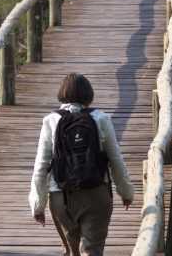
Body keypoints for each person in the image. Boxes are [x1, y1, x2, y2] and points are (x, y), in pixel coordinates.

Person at [29, 73, 135, 256]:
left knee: (72, 252)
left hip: (61, 197)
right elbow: (115, 159)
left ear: (61, 93)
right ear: (89, 95)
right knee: (91, 250)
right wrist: (126, 192)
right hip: (96, 193)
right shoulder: (101, 119)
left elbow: (41, 166)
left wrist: (37, 205)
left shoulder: (50, 121)